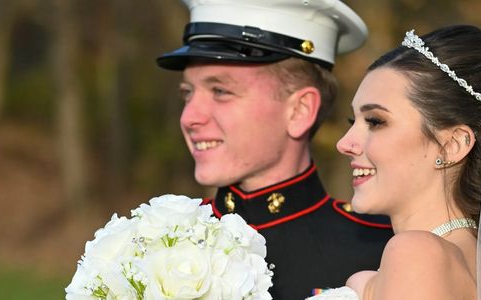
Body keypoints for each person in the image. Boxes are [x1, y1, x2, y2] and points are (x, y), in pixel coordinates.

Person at [156, 0, 393, 298]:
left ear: (299, 111)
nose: (189, 117)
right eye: (187, 93)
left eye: (220, 91)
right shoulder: (153, 242)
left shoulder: (384, 252)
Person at [309, 24, 481, 299]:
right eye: (352, 122)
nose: (344, 143)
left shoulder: (417, 254)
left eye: (376, 122)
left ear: (453, 145)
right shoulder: (477, 261)